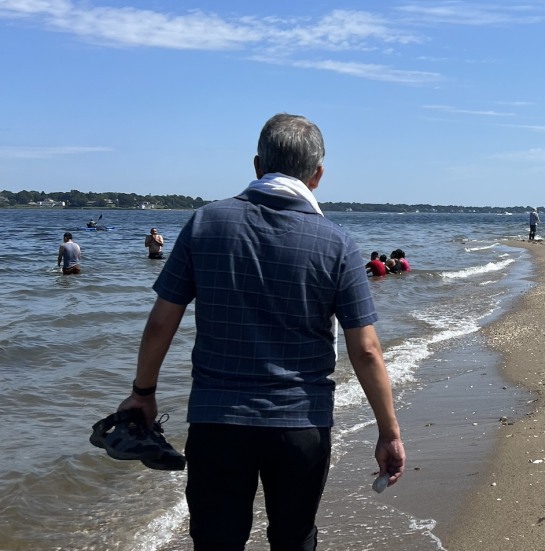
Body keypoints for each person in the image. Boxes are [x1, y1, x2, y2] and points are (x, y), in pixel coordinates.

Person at [116, 113, 405, 550]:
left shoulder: (205, 223)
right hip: (300, 425)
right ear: (318, 175)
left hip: (217, 420)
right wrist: (389, 432)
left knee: (216, 541)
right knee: (294, 538)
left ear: (257, 166)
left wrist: (143, 392)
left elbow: (161, 322)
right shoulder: (337, 243)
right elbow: (365, 351)